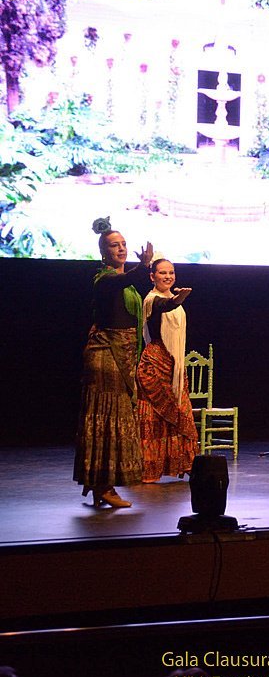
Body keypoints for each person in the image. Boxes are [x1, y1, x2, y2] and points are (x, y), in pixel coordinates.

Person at [74, 218, 153, 508]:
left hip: (123, 354)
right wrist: (143, 267)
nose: (120, 248)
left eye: (123, 244)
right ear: (103, 252)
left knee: (115, 418)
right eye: (114, 245)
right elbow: (122, 280)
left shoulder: (126, 285)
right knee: (106, 418)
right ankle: (103, 485)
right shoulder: (105, 280)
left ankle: (103, 485)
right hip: (106, 355)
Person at [137, 257, 198, 483]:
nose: (168, 276)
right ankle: (149, 467)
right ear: (152, 276)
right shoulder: (151, 300)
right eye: (163, 273)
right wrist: (178, 299)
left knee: (181, 412)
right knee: (154, 417)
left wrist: (177, 299)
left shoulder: (173, 299)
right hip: (155, 363)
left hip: (175, 364)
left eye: (171, 272)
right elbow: (165, 306)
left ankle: (185, 462)